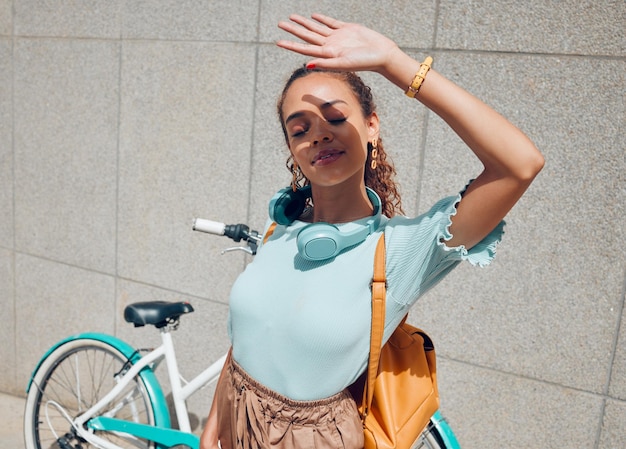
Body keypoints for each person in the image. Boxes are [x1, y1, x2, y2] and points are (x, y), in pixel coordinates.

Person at [200, 13, 544, 449]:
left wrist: (394, 62)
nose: (319, 135)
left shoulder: (401, 250)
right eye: (300, 129)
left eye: (335, 117)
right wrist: (211, 429)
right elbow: (246, 340)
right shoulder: (279, 230)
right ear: (293, 151)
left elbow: (519, 165)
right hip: (233, 424)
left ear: (371, 127)